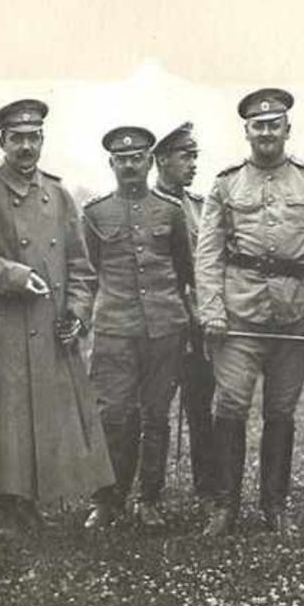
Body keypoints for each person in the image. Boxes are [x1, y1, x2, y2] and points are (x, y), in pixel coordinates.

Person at [0, 99, 113, 540]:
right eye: (17, 138)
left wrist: (77, 313)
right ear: (2, 142)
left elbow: (81, 265)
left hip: (50, 326)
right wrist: (15, 275)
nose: (26, 146)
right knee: (6, 417)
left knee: (45, 415)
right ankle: (6, 507)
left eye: (33, 137)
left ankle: (33, 503)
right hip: (1, 328)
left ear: (42, 139)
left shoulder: (58, 194)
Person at [194, 89, 304, 534]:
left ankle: (275, 506)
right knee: (232, 406)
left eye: (273, 124)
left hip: (295, 318)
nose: (266, 133)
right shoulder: (225, 184)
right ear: (247, 132)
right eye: (258, 126)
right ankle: (225, 506)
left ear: (286, 130)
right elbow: (208, 255)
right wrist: (212, 311)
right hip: (239, 319)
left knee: (281, 410)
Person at [71, 125, 194, 530]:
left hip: (165, 327)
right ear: (111, 163)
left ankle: (149, 499)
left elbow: (184, 271)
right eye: (122, 159)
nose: (129, 165)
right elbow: (87, 274)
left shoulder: (170, 210)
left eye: (137, 158)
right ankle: (107, 499)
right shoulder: (95, 212)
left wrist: (187, 318)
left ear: (148, 161)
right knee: (114, 415)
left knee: (156, 415)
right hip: (115, 328)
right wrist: (81, 318)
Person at [154, 122, 215, 505]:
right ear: (161, 159)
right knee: (152, 411)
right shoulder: (146, 206)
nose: (192, 164)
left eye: (195, 156)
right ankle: (148, 492)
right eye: (184, 156)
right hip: (157, 323)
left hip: (197, 324)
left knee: (201, 407)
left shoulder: (201, 208)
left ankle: (208, 488)